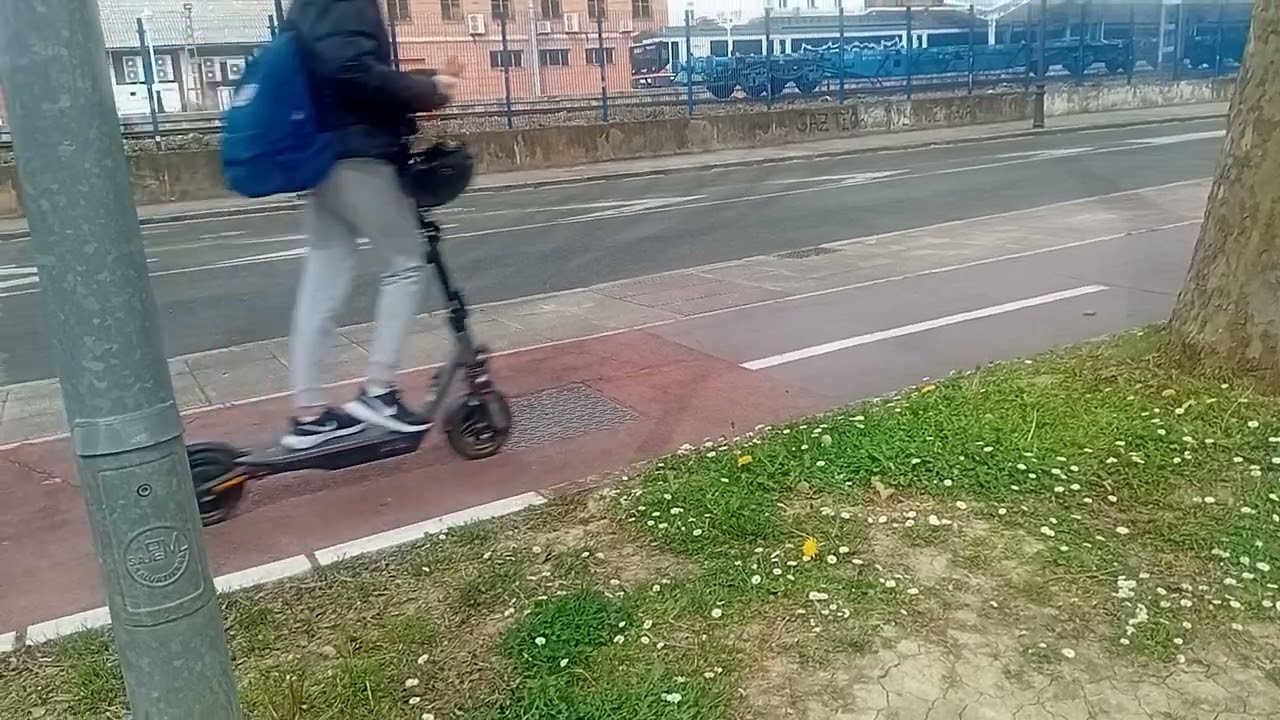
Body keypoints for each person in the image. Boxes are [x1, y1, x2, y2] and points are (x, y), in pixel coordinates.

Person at [280, 0, 463, 450]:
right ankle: (378, 391)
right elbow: (351, 71)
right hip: (357, 154)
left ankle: (308, 414)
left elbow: (336, 68)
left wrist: (422, 82)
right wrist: (428, 91)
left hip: (321, 154)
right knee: (406, 260)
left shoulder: (307, 7)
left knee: (324, 274)